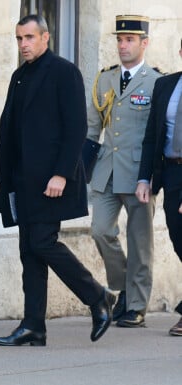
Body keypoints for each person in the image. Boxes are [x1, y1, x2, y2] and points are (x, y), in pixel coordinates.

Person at [0, 14, 115, 347]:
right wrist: (4, 179)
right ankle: (33, 325)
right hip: (22, 180)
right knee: (29, 250)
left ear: (46, 37)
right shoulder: (19, 76)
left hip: (51, 180)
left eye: (29, 37)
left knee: (42, 243)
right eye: (19, 38)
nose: (23, 44)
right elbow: (11, 132)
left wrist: (62, 173)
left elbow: (76, 128)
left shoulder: (63, 72)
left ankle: (97, 295)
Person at [87, 15, 162, 328]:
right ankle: (123, 287)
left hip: (140, 174)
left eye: (130, 40)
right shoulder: (104, 78)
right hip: (107, 170)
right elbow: (92, 130)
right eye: (119, 40)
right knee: (100, 230)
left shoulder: (157, 81)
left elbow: (160, 132)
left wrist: (154, 175)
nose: (123, 45)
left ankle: (136, 305)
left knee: (140, 240)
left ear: (144, 43)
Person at [135, 38, 182, 337]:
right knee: (178, 238)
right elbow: (151, 136)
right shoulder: (165, 86)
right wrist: (144, 177)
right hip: (172, 172)